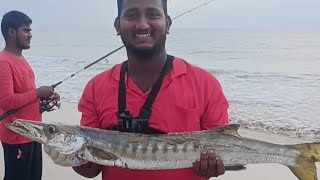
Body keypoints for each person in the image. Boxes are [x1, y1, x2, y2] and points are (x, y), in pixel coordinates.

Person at [44, 0, 229, 179]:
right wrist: (73, 159)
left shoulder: (205, 84)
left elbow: (223, 151)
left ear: (167, 23)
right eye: (132, 15)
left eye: (153, 14)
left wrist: (211, 167)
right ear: (118, 25)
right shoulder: (95, 88)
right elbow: (91, 170)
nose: (142, 25)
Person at [0, 11, 60, 180]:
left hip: (33, 133)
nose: (30, 35)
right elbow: (6, 101)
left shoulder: (21, 59)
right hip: (16, 136)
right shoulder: (4, 62)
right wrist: (37, 92)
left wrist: (44, 99)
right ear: (11, 32)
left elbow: (26, 96)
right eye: (26, 30)